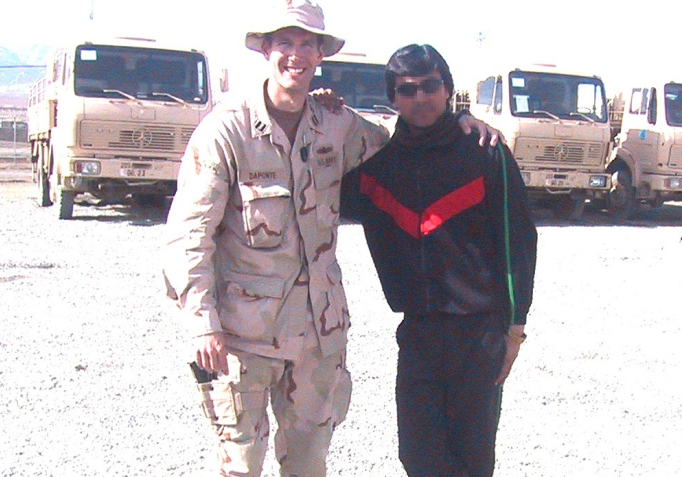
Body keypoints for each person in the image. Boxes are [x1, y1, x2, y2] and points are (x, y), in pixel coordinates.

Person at [162, 3, 497, 474]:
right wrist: (203, 324)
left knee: (309, 465)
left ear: (321, 54)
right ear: (265, 49)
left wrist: (461, 124)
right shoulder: (226, 132)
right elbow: (189, 236)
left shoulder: (336, 124)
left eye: (307, 44)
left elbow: (405, 141)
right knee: (240, 466)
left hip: (317, 340)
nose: (295, 55)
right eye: (284, 42)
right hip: (243, 339)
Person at [340, 44, 538, 477]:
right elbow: (316, 169)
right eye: (407, 90)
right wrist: (318, 106)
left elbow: (519, 241)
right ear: (393, 98)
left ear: (448, 89)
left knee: (472, 458)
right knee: (418, 456)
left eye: (430, 86)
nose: (421, 98)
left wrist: (515, 327)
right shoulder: (378, 166)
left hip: (479, 332)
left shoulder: (485, 152)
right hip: (419, 333)